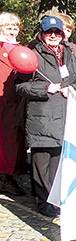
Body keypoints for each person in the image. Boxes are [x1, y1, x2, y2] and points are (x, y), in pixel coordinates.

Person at [15, 15, 76, 217]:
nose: (53, 35)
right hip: (42, 116)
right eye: (49, 32)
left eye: (57, 32)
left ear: (63, 34)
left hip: (65, 115)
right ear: (42, 34)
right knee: (41, 161)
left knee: (58, 161)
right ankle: (42, 198)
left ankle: (55, 199)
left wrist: (71, 89)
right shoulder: (33, 54)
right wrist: (46, 88)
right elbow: (20, 85)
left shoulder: (68, 54)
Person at [0, 12, 27, 196]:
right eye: (8, 26)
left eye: (15, 26)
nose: (12, 30)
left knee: (13, 139)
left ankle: (9, 176)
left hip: (16, 101)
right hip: (2, 98)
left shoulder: (22, 49)